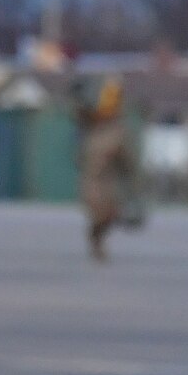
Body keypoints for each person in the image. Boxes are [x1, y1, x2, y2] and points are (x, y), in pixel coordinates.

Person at [77, 78, 137, 263]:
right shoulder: (91, 126)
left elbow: (125, 159)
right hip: (92, 180)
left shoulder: (117, 131)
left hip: (109, 180)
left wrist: (130, 177)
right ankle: (95, 239)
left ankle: (97, 238)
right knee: (98, 212)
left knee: (111, 214)